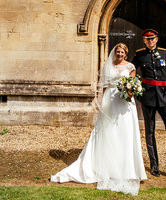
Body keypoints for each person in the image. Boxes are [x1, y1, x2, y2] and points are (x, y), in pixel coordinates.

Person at [50, 43, 147, 195]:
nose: (120, 54)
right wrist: (103, 101)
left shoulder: (130, 67)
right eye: (118, 51)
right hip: (111, 99)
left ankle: (128, 169)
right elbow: (104, 85)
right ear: (115, 52)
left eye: (122, 52)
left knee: (125, 132)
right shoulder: (108, 66)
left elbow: (133, 84)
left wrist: (131, 91)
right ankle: (106, 166)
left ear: (126, 53)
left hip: (125, 102)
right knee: (109, 131)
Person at [132, 29, 166, 181]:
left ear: (156, 39)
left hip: (164, 96)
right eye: (147, 39)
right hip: (148, 97)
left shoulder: (164, 53)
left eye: (152, 39)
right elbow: (130, 71)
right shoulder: (139, 55)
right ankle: (154, 165)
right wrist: (134, 88)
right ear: (144, 40)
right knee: (150, 131)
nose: (150, 41)